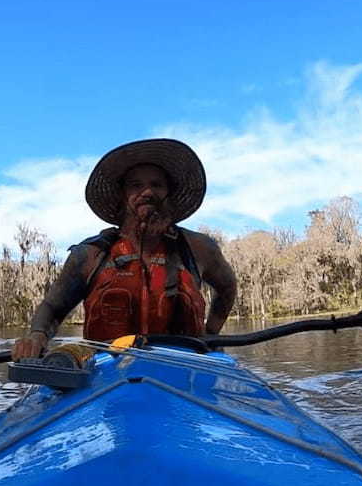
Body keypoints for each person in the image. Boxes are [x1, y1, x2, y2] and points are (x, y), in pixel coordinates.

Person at [12, 138, 237, 359]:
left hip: (186, 369)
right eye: (136, 185)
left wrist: (211, 333)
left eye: (157, 185)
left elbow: (228, 287)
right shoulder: (90, 255)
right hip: (107, 375)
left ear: (169, 193)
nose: (147, 192)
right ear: (123, 195)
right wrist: (37, 337)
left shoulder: (199, 248)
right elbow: (53, 306)